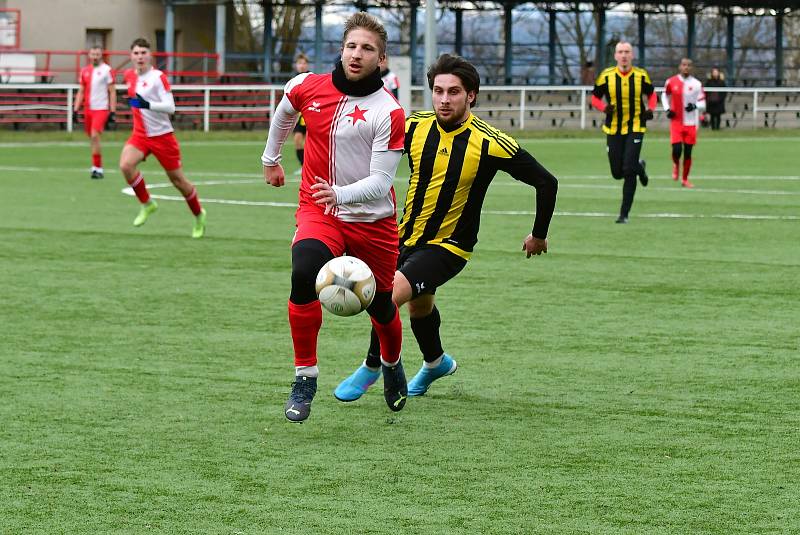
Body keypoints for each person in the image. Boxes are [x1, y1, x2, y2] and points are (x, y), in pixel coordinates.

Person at [334, 54, 558, 402]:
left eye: (454, 91)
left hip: (450, 246)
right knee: (419, 308)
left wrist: (539, 234)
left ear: (471, 95)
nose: (444, 99)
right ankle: (436, 362)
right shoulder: (414, 126)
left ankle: (373, 365)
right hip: (404, 237)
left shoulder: (490, 141)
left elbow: (547, 182)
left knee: (386, 295)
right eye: (438, 90)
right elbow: (372, 151)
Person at [260, 12, 407, 423]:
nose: (356, 55)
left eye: (367, 49)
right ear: (340, 50)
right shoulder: (308, 86)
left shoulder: (389, 112)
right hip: (320, 210)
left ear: (381, 60)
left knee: (380, 305)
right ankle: (305, 376)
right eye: (351, 46)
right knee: (303, 270)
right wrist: (271, 158)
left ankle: (392, 365)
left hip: (373, 221)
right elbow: (285, 111)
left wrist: (340, 192)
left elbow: (380, 182)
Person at [119, 38, 207, 238]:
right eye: (136, 53)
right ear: (131, 56)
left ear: (150, 55)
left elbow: (171, 107)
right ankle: (147, 203)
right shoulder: (129, 76)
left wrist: (147, 105)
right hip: (140, 135)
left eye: (143, 53)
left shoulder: (159, 77)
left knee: (178, 181)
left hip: (162, 137)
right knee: (126, 165)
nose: (140, 57)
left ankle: (198, 215)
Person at [591, 41, 656, 224]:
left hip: (635, 126)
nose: (624, 55)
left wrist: (650, 109)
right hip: (613, 128)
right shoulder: (607, 76)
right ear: (615, 56)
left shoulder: (641, 75)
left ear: (632, 55)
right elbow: (595, 98)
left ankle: (624, 214)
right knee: (617, 172)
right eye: (620, 52)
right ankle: (640, 167)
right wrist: (604, 108)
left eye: (627, 52)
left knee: (628, 170)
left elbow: (652, 94)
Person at [73, 45, 116, 179]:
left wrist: (112, 111)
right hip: (88, 109)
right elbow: (81, 91)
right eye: (93, 54)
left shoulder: (107, 70)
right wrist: (75, 109)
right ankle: (95, 166)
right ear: (89, 55)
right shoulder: (85, 70)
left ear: (101, 55)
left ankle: (98, 168)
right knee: (92, 138)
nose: (95, 57)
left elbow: (112, 91)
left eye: (97, 54)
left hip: (101, 108)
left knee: (94, 135)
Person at [662, 58, 706, 188]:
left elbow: (703, 103)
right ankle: (676, 164)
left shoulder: (697, 84)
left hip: (691, 123)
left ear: (692, 68)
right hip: (676, 122)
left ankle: (685, 179)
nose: (686, 67)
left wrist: (695, 106)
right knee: (677, 150)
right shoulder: (671, 81)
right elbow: (664, 95)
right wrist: (667, 109)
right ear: (679, 67)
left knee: (688, 152)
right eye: (684, 65)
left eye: (688, 65)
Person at [291, 53, 310, 175]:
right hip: (298, 115)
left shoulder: (311, 77)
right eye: (299, 63)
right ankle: (303, 166)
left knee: (310, 142)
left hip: (309, 113)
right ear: (296, 65)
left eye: (303, 63)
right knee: (297, 140)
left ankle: (310, 167)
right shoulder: (293, 80)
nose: (301, 66)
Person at [705, 67, 726, 131]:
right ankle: (713, 128)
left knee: (718, 115)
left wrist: (720, 99)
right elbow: (706, 92)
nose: (715, 74)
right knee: (712, 115)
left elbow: (724, 92)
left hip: (719, 102)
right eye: (714, 72)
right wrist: (709, 99)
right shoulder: (709, 82)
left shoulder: (722, 82)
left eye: (716, 72)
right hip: (711, 102)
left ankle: (717, 128)